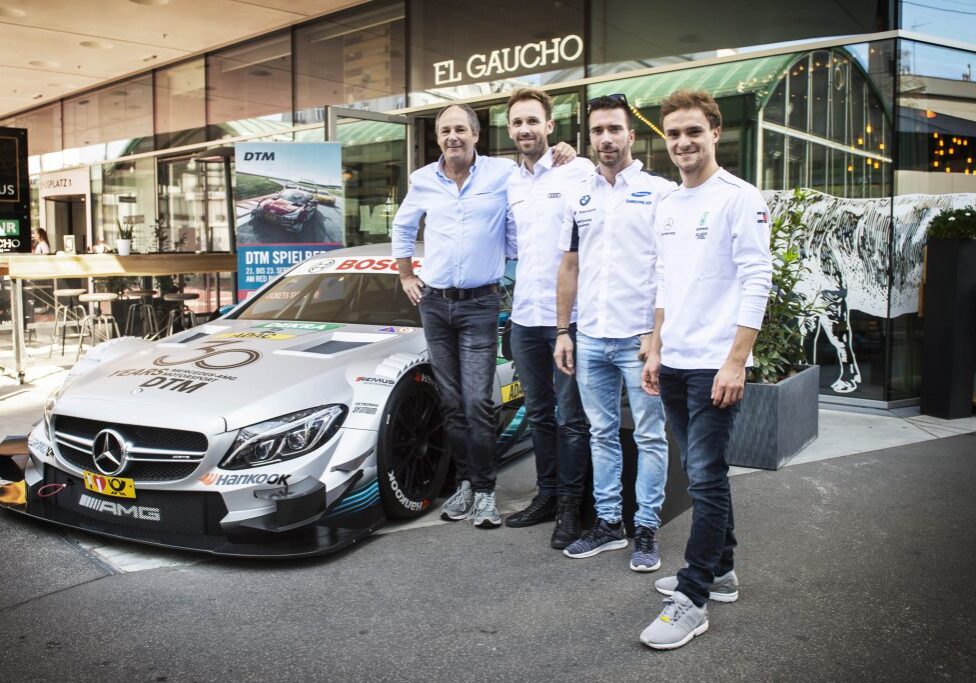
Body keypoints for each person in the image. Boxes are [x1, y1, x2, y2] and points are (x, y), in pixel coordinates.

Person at [392, 103, 575, 529]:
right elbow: (402, 226)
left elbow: (536, 175)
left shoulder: (502, 173)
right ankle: (466, 484)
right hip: (435, 304)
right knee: (452, 401)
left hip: (480, 304)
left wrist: (563, 150)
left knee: (477, 400)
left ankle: (487, 490)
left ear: (476, 135)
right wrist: (405, 275)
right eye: (445, 130)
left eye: (460, 129)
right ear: (438, 137)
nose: (452, 136)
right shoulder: (423, 179)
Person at [638, 89, 772, 650]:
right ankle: (722, 572)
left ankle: (692, 597)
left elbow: (758, 280)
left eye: (693, 131)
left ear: (715, 132)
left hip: (715, 367)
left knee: (706, 477)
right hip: (674, 363)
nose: (683, 142)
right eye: (673, 133)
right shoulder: (667, 204)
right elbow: (664, 283)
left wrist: (736, 362)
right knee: (703, 475)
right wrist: (654, 349)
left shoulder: (740, 198)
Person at [553, 94, 675, 571]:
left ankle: (646, 528)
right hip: (590, 338)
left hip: (639, 340)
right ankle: (609, 525)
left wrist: (656, 335)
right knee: (601, 433)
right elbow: (569, 266)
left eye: (614, 129)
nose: (606, 138)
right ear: (590, 138)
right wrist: (564, 331)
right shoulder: (578, 195)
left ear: (631, 135)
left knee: (650, 436)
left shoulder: (659, 192)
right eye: (598, 131)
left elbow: (669, 268)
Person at [503, 88, 593, 549]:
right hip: (524, 318)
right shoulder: (510, 182)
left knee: (571, 417)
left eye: (533, 121)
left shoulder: (578, 170)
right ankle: (547, 495)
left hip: (568, 320)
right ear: (510, 129)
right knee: (538, 414)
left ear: (550, 126)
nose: (525, 129)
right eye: (518, 122)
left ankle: (570, 508)